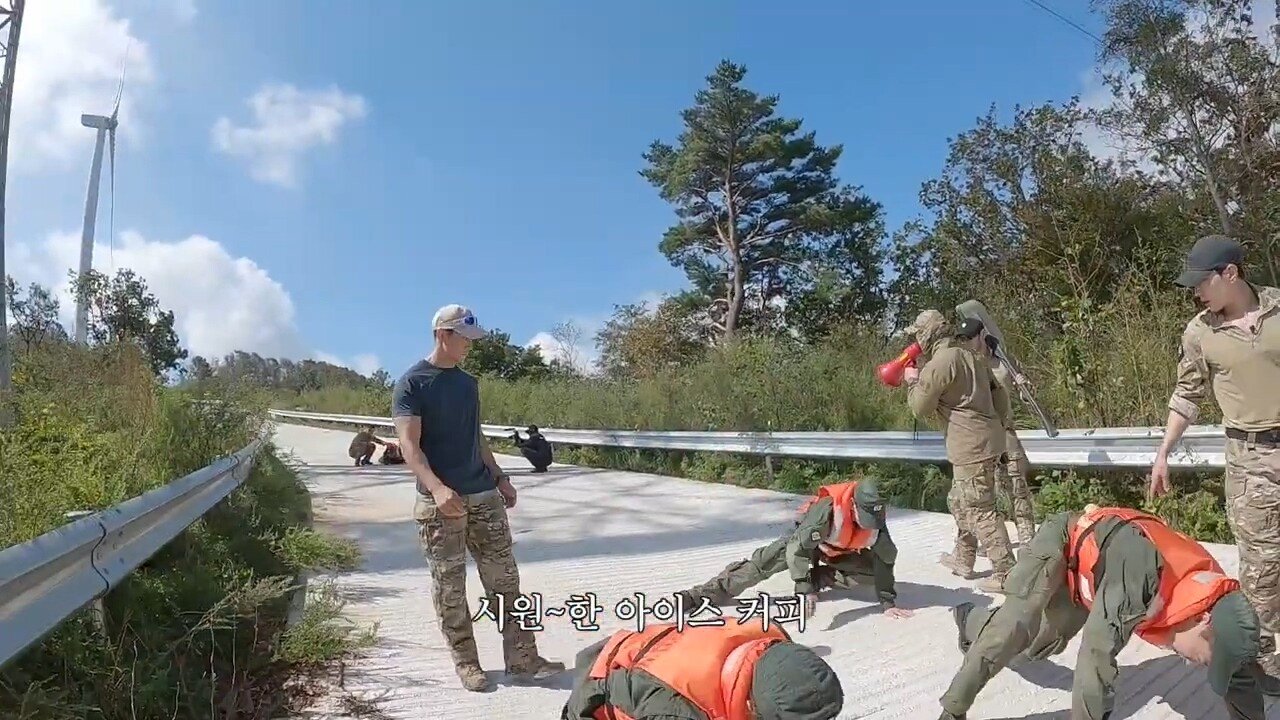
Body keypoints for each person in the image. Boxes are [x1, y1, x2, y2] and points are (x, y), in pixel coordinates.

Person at [937, 504, 1266, 720]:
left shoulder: (1217, 603)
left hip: (1097, 580)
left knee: (1037, 647)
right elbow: (1095, 660)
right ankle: (965, 645)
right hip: (1065, 547)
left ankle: (971, 622)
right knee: (1014, 629)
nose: (1196, 665)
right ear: (1202, 618)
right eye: (1204, 660)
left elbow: (1235, 667)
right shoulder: (1142, 580)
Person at [392, 303, 564, 692]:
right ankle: (468, 664)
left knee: (506, 582)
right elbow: (409, 445)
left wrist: (500, 476)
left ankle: (522, 658)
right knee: (450, 588)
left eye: (472, 338)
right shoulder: (412, 383)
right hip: (440, 506)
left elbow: (476, 437)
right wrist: (437, 489)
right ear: (442, 335)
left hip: (484, 496)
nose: (470, 345)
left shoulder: (468, 384)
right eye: (464, 338)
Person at [1149, 234, 1280, 685]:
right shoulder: (1199, 332)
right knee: (1262, 568)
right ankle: (1263, 662)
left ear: (1231, 273)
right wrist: (1163, 453)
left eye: (1202, 282)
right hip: (1251, 460)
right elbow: (1187, 395)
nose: (1196, 293)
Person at [673, 478, 913, 621]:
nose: (870, 520)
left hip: (837, 551)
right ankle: (701, 595)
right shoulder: (827, 511)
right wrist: (804, 590)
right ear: (852, 504)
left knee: (872, 573)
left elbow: (885, 561)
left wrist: (887, 603)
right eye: (866, 513)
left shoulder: (876, 525)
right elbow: (797, 550)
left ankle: (822, 577)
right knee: (759, 566)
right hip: (803, 541)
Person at [902, 309, 1015, 594]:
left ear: (926, 335)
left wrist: (913, 381)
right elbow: (999, 395)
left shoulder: (941, 363)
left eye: (917, 333)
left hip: (970, 445)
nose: (916, 339)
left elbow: (920, 408)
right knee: (960, 501)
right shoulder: (971, 356)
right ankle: (964, 558)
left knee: (979, 509)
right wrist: (997, 425)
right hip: (987, 441)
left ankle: (1007, 573)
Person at [560, 616, 844, 720]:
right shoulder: (678, 710)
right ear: (751, 705)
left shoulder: (768, 643)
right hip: (595, 699)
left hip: (646, 657)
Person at [957, 317, 1037, 547]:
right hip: (978, 436)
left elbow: (1026, 397)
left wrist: (1024, 385)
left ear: (982, 335)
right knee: (983, 492)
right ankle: (990, 540)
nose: (966, 343)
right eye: (962, 339)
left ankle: (1026, 535)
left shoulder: (1003, 361)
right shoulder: (966, 364)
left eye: (969, 338)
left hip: (1004, 431)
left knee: (1017, 486)